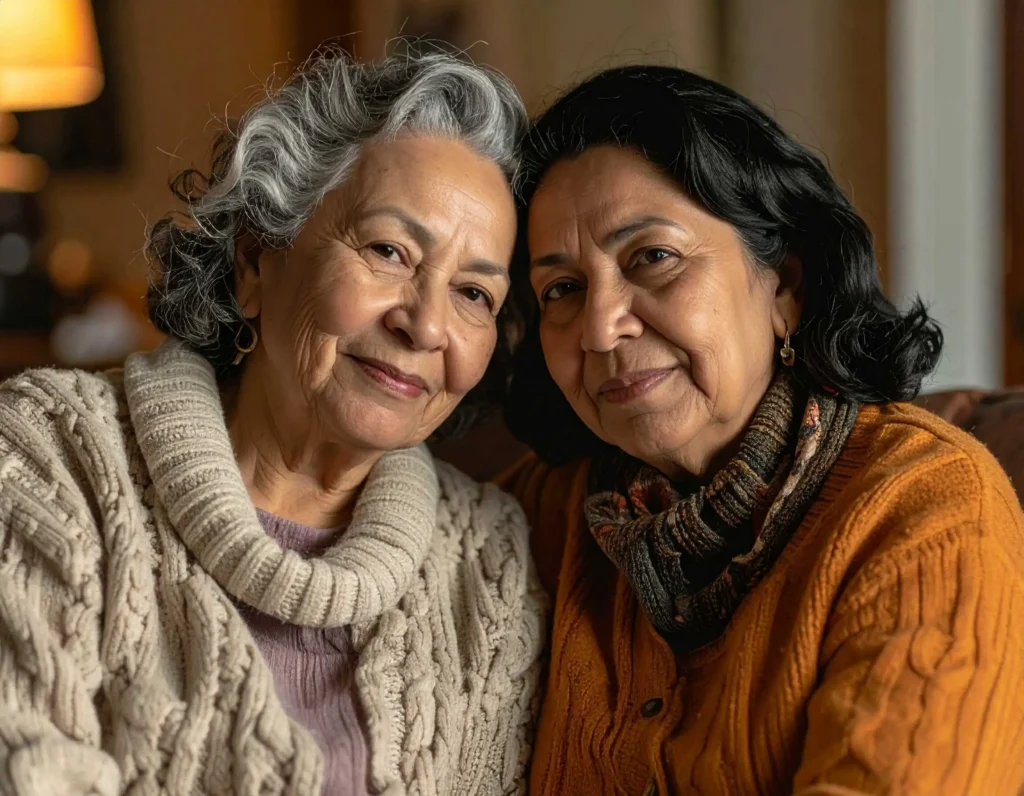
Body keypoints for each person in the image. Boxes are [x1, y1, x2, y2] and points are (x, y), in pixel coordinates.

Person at [0, 50, 546, 796]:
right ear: (256, 261)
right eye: (388, 251)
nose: (425, 325)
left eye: (474, 295)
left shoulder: (488, 559)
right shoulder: (49, 458)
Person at [502, 64, 1024, 796]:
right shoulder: (538, 516)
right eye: (562, 288)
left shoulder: (926, 508)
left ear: (785, 285)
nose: (598, 327)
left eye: (652, 257)